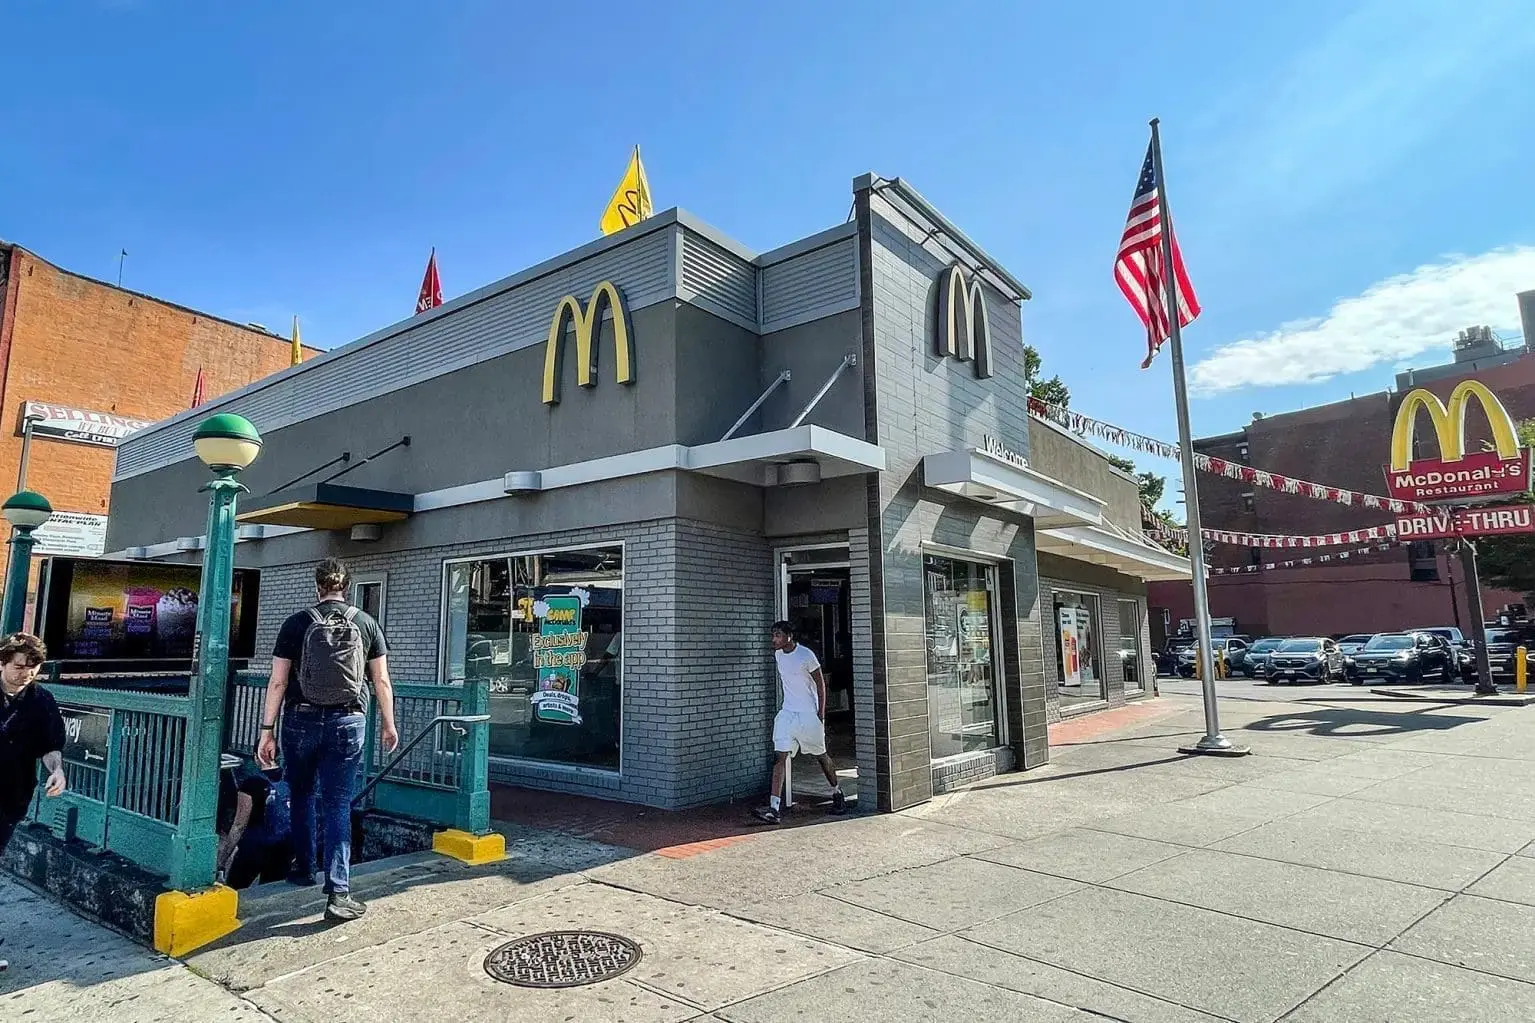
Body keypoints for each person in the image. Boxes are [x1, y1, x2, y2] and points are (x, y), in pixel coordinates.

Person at [257, 558, 397, 922]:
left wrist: (266, 730)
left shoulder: (296, 623)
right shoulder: (366, 624)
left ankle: (304, 867)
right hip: (349, 720)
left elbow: (278, 682)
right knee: (337, 803)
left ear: (317, 587)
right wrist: (388, 723)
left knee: (301, 793)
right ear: (346, 588)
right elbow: (380, 680)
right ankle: (338, 891)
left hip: (300, 719)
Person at [753, 621, 846, 824]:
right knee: (779, 757)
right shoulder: (778, 655)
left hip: (808, 715)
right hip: (788, 713)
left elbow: (821, 684)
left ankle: (837, 793)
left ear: (789, 636)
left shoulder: (806, 655)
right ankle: (774, 808)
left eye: (777, 635)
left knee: (821, 756)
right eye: (773, 636)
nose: (774, 640)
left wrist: (821, 714)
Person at [0, 633, 65, 857]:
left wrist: (57, 770)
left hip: (12, 793)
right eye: (18, 667)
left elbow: (50, 745)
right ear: (2, 662)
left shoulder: (42, 700)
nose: (26, 674)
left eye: (33, 667)